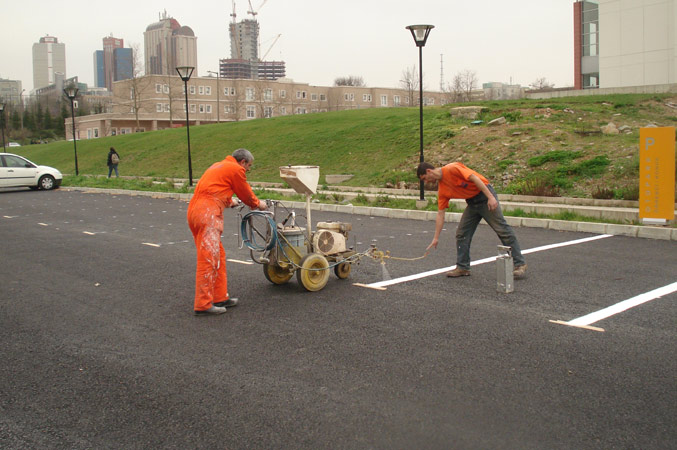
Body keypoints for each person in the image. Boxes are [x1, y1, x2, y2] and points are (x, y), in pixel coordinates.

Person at [187, 148, 268, 316]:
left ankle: (220, 296)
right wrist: (258, 204)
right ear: (243, 162)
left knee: (218, 255)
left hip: (196, 210)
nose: (248, 170)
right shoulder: (236, 169)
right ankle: (203, 304)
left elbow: (214, 190)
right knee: (208, 258)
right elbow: (246, 194)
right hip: (207, 213)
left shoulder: (219, 166)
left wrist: (230, 201)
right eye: (249, 166)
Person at [417, 161, 527, 278]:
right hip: (472, 203)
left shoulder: (451, 169)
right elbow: (440, 214)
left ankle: (520, 264)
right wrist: (436, 238)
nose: (426, 182)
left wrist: (490, 197)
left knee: (502, 230)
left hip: (485, 196)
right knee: (462, 233)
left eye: (424, 178)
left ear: (429, 171)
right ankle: (463, 267)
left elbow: (474, 178)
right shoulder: (442, 190)